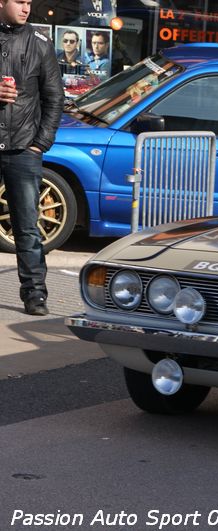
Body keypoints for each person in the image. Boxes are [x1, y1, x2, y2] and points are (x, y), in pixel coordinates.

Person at [0, 0, 65, 315]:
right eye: (20, 2)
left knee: (26, 226)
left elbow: (55, 97)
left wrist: (41, 143)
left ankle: (35, 296)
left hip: (24, 149)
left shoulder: (40, 42)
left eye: (29, 2)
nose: (26, 8)